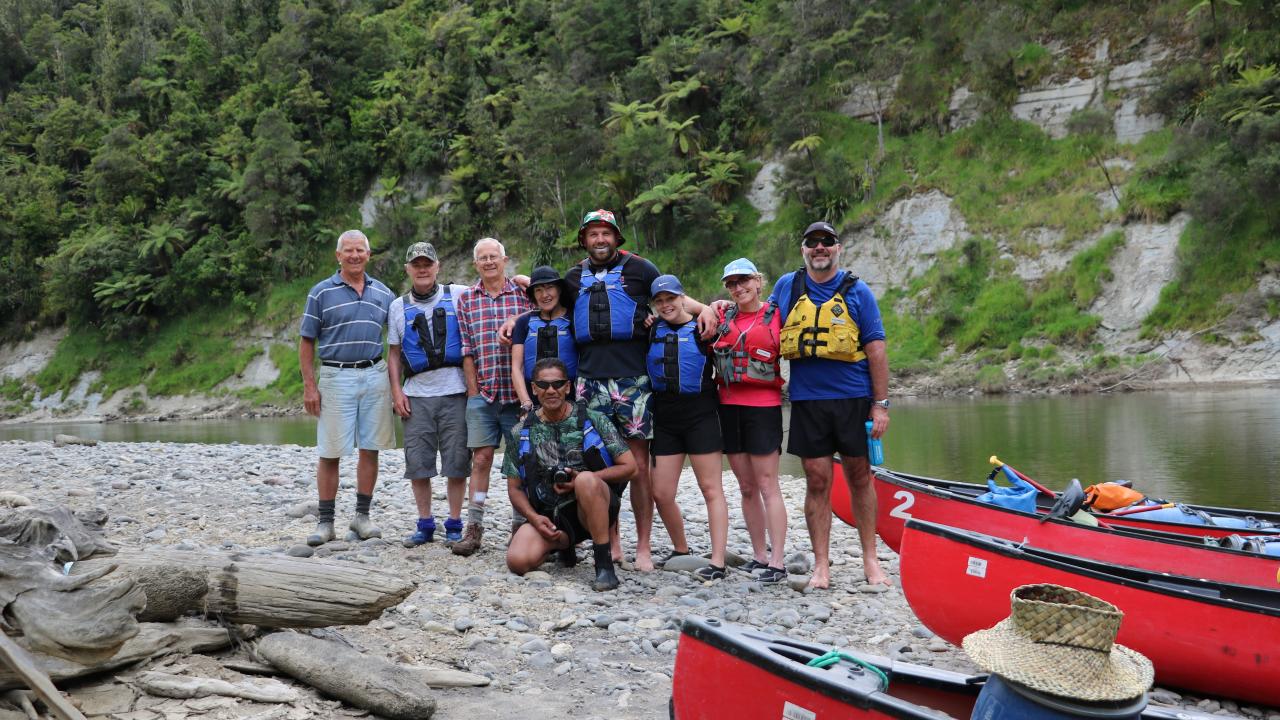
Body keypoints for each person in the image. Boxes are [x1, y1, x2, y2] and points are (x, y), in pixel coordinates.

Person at [558, 209, 717, 571]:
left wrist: (706, 308)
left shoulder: (642, 270)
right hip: (589, 382)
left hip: (633, 380)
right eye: (593, 234)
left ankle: (643, 546)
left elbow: (674, 298)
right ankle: (611, 541)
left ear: (616, 238)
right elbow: (543, 306)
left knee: (638, 466)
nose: (600, 240)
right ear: (584, 240)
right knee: (598, 461)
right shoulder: (572, 278)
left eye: (606, 233)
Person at [769, 221, 890, 589]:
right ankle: (822, 565)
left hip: (853, 399)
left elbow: (876, 350)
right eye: (812, 242)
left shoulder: (859, 292)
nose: (819, 247)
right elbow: (759, 320)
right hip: (808, 401)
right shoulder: (787, 287)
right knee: (817, 479)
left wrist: (880, 405)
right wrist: (718, 308)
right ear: (803, 249)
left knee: (859, 475)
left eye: (827, 242)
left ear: (838, 248)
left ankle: (871, 560)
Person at [503, 358, 637, 592]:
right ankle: (563, 545)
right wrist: (534, 519)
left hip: (593, 506)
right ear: (534, 389)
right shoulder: (520, 432)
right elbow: (514, 488)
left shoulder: (594, 420)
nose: (551, 390)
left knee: (585, 480)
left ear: (568, 386)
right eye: (543, 385)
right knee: (518, 561)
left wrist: (585, 480)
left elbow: (630, 467)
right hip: (548, 513)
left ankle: (604, 565)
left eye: (558, 384)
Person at [298, 229, 396, 546]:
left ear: (369, 255)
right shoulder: (320, 293)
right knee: (330, 451)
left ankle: (362, 517)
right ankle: (326, 523)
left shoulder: (384, 294)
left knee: (370, 448)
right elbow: (306, 342)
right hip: (335, 376)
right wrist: (310, 387)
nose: (355, 255)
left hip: (374, 374)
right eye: (348, 250)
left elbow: (396, 341)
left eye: (360, 250)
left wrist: (398, 386)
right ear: (338, 255)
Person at [386, 242, 471, 548]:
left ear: (437, 267)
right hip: (416, 394)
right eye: (416, 264)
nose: (422, 269)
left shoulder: (459, 294)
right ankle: (425, 523)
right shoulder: (397, 307)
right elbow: (394, 355)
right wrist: (396, 392)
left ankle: (454, 521)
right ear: (408, 269)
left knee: (457, 461)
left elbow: (492, 289)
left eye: (427, 264)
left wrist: (521, 281)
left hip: (456, 392)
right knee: (418, 463)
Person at [452, 237, 532, 556]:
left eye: (493, 257)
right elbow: (467, 350)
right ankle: (474, 527)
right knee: (481, 459)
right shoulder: (467, 300)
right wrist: (473, 394)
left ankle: (519, 525)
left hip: (519, 395)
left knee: (518, 462)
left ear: (504, 259)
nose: (488, 262)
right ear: (476, 265)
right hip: (484, 395)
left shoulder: (523, 293)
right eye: (482, 258)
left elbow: (547, 311)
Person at [646, 274, 729, 582]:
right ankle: (681, 549)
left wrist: (708, 307)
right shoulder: (651, 329)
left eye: (671, 298)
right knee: (662, 492)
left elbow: (729, 312)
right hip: (666, 419)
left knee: (711, 489)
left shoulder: (704, 329)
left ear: (683, 298)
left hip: (701, 415)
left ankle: (718, 560)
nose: (666, 305)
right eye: (660, 301)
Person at [710, 258, 788, 584]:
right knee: (745, 487)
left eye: (744, 281)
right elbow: (681, 305)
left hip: (764, 408)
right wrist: (712, 304)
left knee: (768, 485)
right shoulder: (721, 316)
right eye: (731, 284)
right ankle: (759, 555)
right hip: (728, 407)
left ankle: (778, 562)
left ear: (758, 282)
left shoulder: (777, 315)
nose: (738, 288)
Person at [511, 266, 577, 412]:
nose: (544, 295)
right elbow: (517, 367)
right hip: (534, 398)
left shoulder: (574, 318)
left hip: (571, 397)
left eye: (549, 288)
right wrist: (526, 403)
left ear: (559, 289)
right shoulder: (523, 322)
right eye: (538, 290)